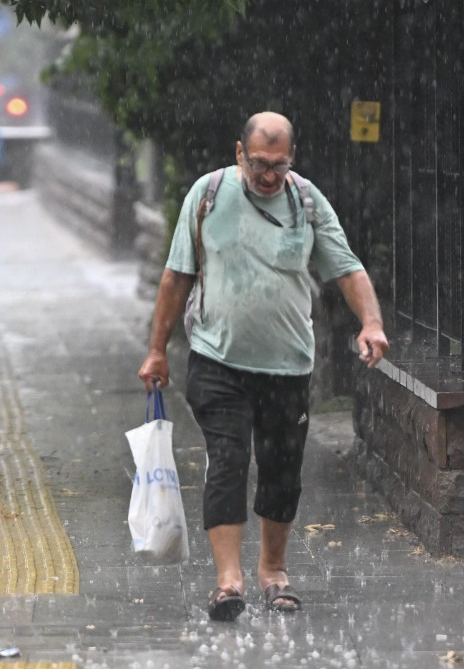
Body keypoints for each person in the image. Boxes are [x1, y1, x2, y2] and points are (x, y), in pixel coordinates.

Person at [137, 112, 388, 621]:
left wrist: (372, 323)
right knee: (227, 462)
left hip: (287, 365)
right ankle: (228, 580)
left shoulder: (307, 202)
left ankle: (273, 571)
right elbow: (175, 277)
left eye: (279, 165)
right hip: (216, 358)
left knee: (281, 471)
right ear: (239, 154)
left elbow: (347, 267)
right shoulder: (207, 195)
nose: (268, 175)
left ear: (290, 159)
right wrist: (158, 349)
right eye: (258, 164)